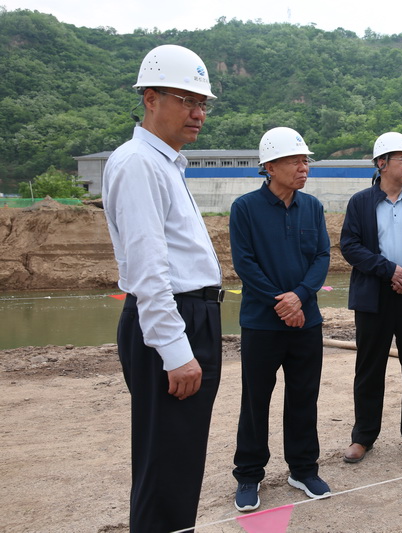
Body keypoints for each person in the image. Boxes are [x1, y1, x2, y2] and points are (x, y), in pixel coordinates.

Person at [102, 44, 223, 532]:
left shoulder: (167, 162)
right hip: (173, 320)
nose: (198, 114)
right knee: (166, 465)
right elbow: (148, 270)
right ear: (150, 98)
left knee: (181, 459)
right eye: (186, 100)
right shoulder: (138, 163)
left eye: (203, 103)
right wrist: (175, 350)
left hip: (192, 315)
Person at [229, 127, 331, 512]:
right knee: (256, 400)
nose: (304, 167)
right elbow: (245, 264)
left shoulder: (313, 207)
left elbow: (322, 256)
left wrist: (300, 297)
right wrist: (282, 302)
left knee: (304, 396)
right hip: (261, 323)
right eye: (295, 161)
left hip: (307, 321)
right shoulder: (245, 209)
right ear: (270, 167)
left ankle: (303, 469)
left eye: (306, 161)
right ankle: (249, 474)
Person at [340, 132, 402, 465]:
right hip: (373, 297)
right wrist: (389, 270)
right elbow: (350, 246)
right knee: (369, 368)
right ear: (382, 163)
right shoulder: (361, 202)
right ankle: (363, 436)